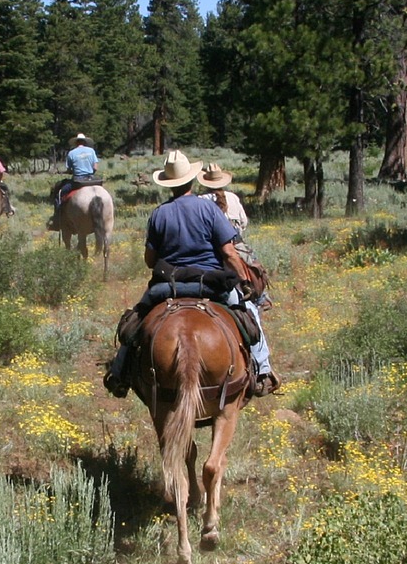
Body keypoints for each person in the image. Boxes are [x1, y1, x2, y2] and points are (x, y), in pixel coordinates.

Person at [104, 150, 278, 397]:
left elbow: (149, 260)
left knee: (136, 321)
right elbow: (228, 252)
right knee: (249, 313)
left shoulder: (159, 214)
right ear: (191, 180)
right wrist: (243, 281)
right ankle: (262, 371)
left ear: (168, 184)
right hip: (211, 284)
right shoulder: (209, 210)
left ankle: (119, 374)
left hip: (168, 285)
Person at [198, 163, 271, 310]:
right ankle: (261, 298)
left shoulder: (200, 200)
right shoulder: (232, 197)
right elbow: (244, 222)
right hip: (236, 245)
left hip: (211, 249)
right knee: (252, 266)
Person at [48, 133, 99, 231]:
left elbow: (69, 169)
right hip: (91, 180)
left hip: (78, 181)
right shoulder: (91, 151)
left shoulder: (72, 153)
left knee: (59, 194)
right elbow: (95, 167)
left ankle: (57, 219)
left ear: (76, 142)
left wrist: (63, 172)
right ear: (85, 142)